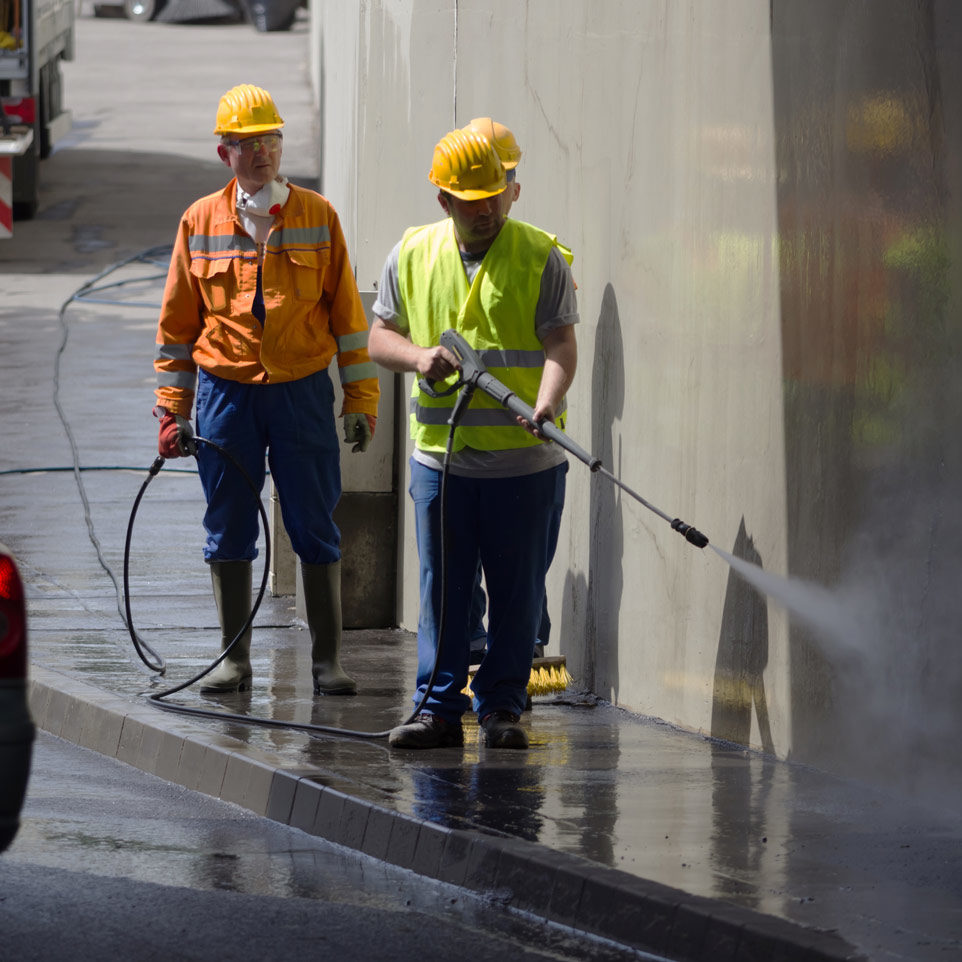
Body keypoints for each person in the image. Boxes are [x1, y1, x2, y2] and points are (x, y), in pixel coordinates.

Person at [152, 83, 379, 697]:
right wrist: (172, 412)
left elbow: (349, 321)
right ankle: (234, 659)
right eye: (248, 144)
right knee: (227, 525)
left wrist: (361, 401)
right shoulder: (198, 222)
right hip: (225, 395)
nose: (263, 154)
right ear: (225, 152)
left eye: (271, 141)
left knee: (314, 521)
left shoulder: (317, 216)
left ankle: (327, 661)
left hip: (301, 392)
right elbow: (176, 332)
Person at [368, 123, 578, 750]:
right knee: (444, 592)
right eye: (470, 198)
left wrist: (544, 403)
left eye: (495, 193)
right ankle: (436, 710)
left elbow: (561, 344)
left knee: (517, 594)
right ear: (444, 201)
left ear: (513, 190)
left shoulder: (541, 255)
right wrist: (419, 357)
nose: (485, 207)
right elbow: (378, 337)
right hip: (442, 463)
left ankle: (503, 710)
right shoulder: (410, 253)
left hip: (524, 463)